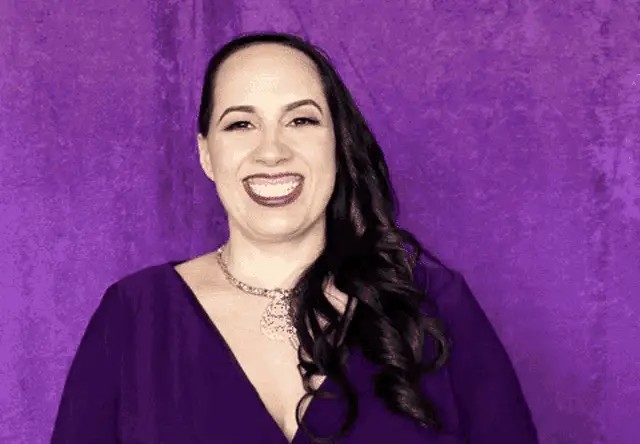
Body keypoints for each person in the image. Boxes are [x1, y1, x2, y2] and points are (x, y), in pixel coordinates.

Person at [50, 32, 539, 444]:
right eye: (241, 124)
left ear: (338, 143)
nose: (272, 151)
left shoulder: (436, 305)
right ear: (206, 154)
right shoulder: (133, 316)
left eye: (301, 120)